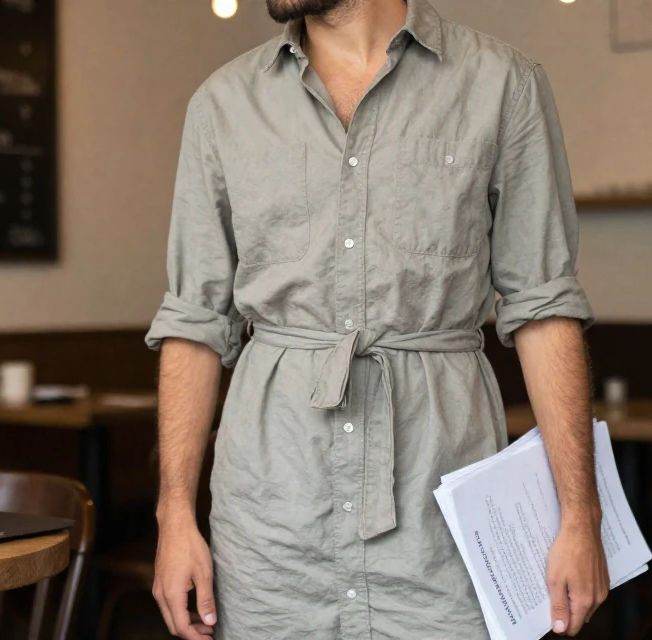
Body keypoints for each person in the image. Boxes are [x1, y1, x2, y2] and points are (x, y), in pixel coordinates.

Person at [144, 0, 607, 637]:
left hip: (441, 522)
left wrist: (581, 517)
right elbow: (195, 321)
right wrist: (175, 519)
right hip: (270, 528)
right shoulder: (222, 103)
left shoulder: (502, 83)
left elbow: (543, 306)